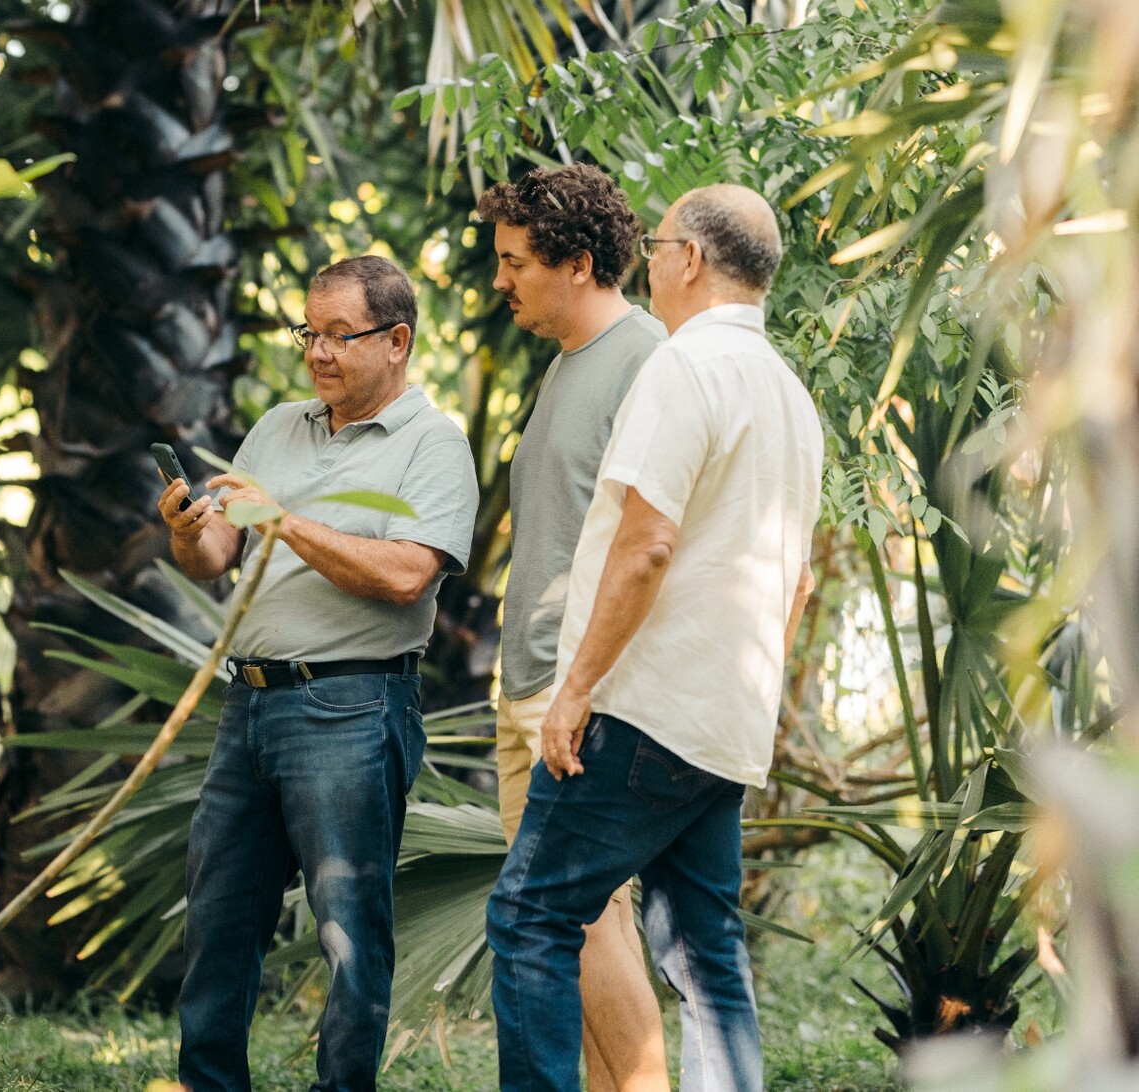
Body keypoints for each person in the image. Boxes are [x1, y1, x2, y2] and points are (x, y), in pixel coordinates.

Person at [486, 184, 823, 1092]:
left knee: (529, 918)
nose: (652, 255)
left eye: (659, 240)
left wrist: (577, 688)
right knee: (708, 956)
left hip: (641, 713)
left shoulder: (682, 366)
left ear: (688, 260)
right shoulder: (790, 394)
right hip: (724, 727)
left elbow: (647, 542)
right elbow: (797, 582)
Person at [159, 255, 478, 1092]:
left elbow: (409, 574)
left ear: (398, 340)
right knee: (220, 918)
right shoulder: (276, 428)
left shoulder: (434, 444)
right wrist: (188, 529)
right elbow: (217, 555)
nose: (319, 351)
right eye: (310, 331)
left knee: (348, 933)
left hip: (352, 705)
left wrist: (287, 522)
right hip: (249, 704)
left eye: (342, 334)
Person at [476, 164, 670, 1092]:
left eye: (516, 262)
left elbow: (658, 542)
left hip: (580, 693)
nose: (500, 281)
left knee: (584, 922)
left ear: (579, 262)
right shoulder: (567, 366)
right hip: (531, 688)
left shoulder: (645, 361)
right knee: (580, 927)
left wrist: (585, 688)